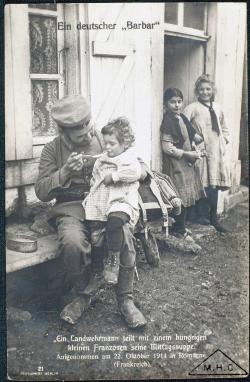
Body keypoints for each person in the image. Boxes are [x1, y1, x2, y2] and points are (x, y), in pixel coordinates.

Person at [35, 95, 147, 328]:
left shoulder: (103, 137)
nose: (90, 135)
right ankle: (81, 295)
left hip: (107, 203)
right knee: (73, 241)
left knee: (123, 231)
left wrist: (139, 172)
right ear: (64, 131)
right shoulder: (52, 150)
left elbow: (136, 162)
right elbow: (41, 191)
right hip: (71, 207)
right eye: (81, 133)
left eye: (90, 126)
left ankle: (126, 299)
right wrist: (65, 172)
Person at [83, 117, 141, 286]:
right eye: (106, 143)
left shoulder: (129, 157)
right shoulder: (102, 158)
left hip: (121, 199)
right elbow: (95, 177)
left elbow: (135, 173)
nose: (107, 147)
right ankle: (96, 267)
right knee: (96, 233)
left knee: (115, 220)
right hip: (102, 199)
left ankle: (113, 259)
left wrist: (114, 176)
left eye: (112, 144)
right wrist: (94, 187)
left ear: (124, 144)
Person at [184, 74, 231, 232]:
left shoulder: (217, 107)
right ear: (197, 90)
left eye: (208, 89)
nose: (205, 92)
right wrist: (193, 141)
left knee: (214, 183)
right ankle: (198, 216)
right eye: (201, 89)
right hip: (201, 151)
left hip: (216, 152)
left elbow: (224, 127)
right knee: (200, 181)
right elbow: (183, 126)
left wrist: (223, 142)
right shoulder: (192, 108)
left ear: (213, 90)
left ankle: (213, 217)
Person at [160, 88, 206, 238]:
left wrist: (199, 142)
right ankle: (177, 230)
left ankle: (182, 227)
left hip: (186, 164)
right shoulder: (168, 121)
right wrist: (187, 154)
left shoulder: (182, 118)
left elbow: (191, 135)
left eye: (179, 101)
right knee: (178, 196)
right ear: (166, 104)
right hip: (176, 165)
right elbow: (167, 148)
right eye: (172, 102)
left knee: (186, 197)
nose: (177, 105)